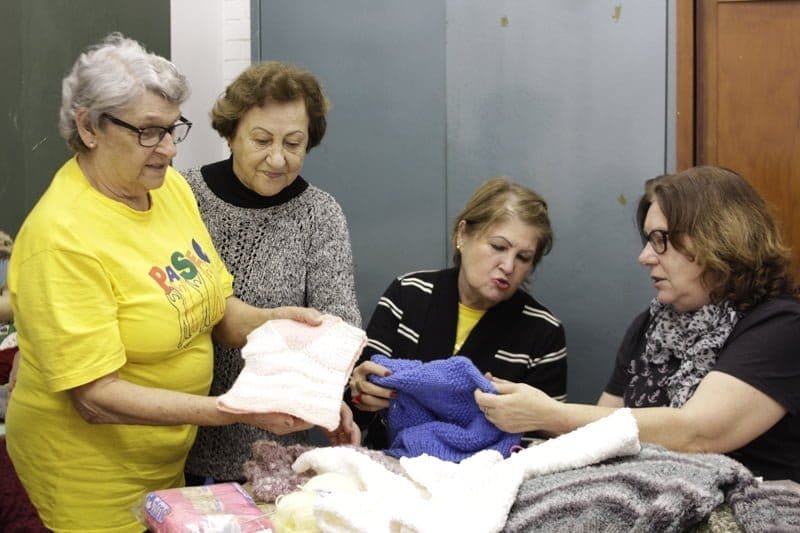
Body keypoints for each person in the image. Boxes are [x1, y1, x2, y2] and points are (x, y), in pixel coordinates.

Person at [5, 33, 359, 532]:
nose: (168, 149)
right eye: (149, 132)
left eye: (173, 129)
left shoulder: (166, 188)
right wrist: (232, 410)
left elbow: (214, 306)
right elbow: (96, 398)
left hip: (163, 469)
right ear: (88, 127)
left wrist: (272, 321)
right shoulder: (62, 238)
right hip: (87, 485)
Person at [475, 166, 800, 482]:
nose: (645, 256)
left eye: (660, 239)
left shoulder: (780, 326)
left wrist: (549, 414)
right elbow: (601, 435)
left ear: (716, 239)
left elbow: (698, 432)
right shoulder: (651, 325)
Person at [182, 61, 361, 484]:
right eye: (261, 140)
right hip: (177, 438)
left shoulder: (319, 215)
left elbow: (338, 325)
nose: (278, 158)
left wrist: (328, 392)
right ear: (231, 134)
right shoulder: (184, 196)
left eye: (293, 143)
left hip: (271, 451)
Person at [350, 176, 568, 449]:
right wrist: (360, 393)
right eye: (498, 247)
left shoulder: (543, 331)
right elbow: (353, 409)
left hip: (488, 470)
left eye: (523, 258)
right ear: (462, 235)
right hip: (388, 460)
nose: (508, 266)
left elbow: (543, 444)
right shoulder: (409, 294)